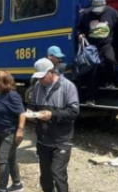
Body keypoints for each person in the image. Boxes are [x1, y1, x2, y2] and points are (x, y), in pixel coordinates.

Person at [27, 58, 80, 192]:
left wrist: (52, 115)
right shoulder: (37, 87)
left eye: (42, 77)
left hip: (61, 140)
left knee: (58, 175)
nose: (40, 81)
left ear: (51, 72)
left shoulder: (68, 87)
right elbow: (32, 107)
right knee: (45, 176)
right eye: (38, 78)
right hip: (43, 140)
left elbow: (74, 112)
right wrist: (30, 114)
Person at [78, 0, 118, 103]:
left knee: (110, 60)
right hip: (92, 47)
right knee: (91, 72)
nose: (97, 13)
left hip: (106, 45)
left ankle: (110, 82)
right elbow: (80, 27)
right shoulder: (86, 14)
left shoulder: (112, 12)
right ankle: (91, 98)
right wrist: (80, 34)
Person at [0, 71, 26, 192]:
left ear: (4, 81)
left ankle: (2, 188)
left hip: (11, 132)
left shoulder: (12, 95)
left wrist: (20, 130)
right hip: (0, 133)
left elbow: (22, 113)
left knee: (1, 158)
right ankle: (17, 184)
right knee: (11, 158)